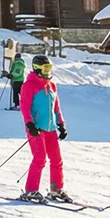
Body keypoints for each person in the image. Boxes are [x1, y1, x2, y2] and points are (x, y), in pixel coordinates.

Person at [19, 55, 71, 203]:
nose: (48, 72)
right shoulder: (29, 85)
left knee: (57, 160)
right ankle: (31, 191)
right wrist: (30, 124)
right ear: (37, 68)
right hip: (36, 129)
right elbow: (24, 106)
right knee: (40, 159)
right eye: (45, 68)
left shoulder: (52, 85)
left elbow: (56, 107)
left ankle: (56, 189)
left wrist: (61, 124)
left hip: (51, 129)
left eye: (49, 68)